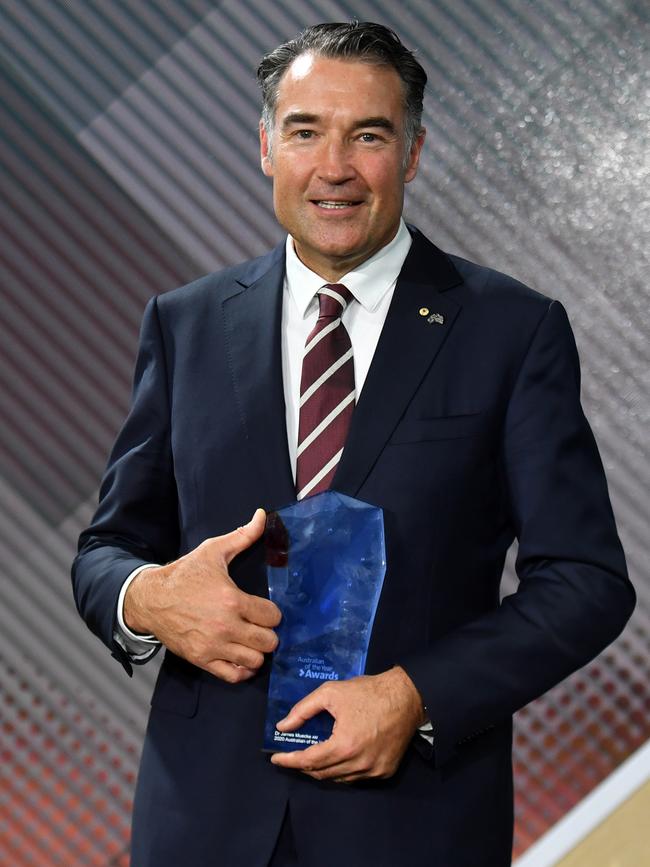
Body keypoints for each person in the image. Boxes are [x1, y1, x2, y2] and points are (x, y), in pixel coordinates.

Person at [72, 21, 634, 867]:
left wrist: (418, 695)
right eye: (304, 131)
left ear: (411, 154)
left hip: (413, 820)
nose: (333, 167)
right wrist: (144, 598)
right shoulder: (184, 323)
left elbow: (586, 581)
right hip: (201, 824)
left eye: (367, 135)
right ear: (266, 147)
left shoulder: (511, 331)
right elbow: (108, 547)